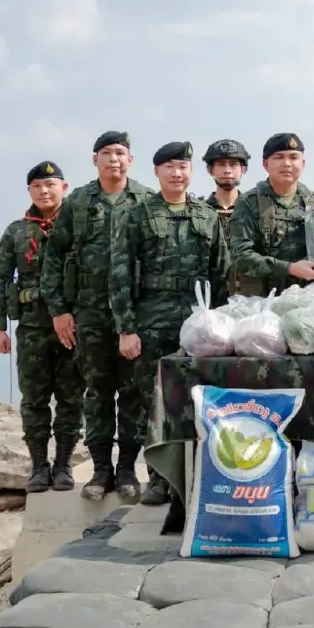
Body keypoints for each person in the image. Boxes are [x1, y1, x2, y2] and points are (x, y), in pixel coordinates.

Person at [110, 141, 231, 506]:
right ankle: (159, 479)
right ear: (157, 172)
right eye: (169, 167)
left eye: (183, 166)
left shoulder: (206, 216)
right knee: (154, 399)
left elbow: (221, 271)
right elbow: (119, 274)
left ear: (191, 171)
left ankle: (203, 475)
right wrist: (126, 328)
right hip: (152, 320)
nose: (177, 173)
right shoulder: (136, 215)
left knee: (203, 398)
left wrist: (223, 324)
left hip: (199, 319)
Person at [40, 131, 154, 502]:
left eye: (121, 153)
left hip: (134, 313)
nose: (114, 160)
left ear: (131, 160)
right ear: (95, 160)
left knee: (134, 392)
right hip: (89, 310)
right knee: (98, 391)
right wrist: (58, 310)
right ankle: (101, 470)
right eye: (107, 153)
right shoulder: (78, 202)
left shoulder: (145, 201)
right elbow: (53, 258)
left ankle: (127, 471)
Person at [0, 160, 84, 494]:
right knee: (34, 400)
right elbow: (1, 280)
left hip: (71, 328)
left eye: (51, 185)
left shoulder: (78, 226)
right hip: (31, 328)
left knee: (72, 399)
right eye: (37, 187)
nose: (45, 191)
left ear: (64, 188)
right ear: (30, 191)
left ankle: (63, 465)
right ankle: (39, 466)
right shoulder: (16, 231)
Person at [228, 133, 314, 298]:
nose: (287, 163)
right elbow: (241, 257)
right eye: (279, 157)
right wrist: (290, 268)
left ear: (302, 164)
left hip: (306, 299)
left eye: (293, 157)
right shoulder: (249, 203)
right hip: (261, 302)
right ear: (265, 164)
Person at [201, 139, 250, 240]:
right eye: (221, 164)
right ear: (210, 170)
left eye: (233, 164)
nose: (227, 171)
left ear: (243, 170)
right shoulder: (199, 211)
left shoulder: (254, 210)